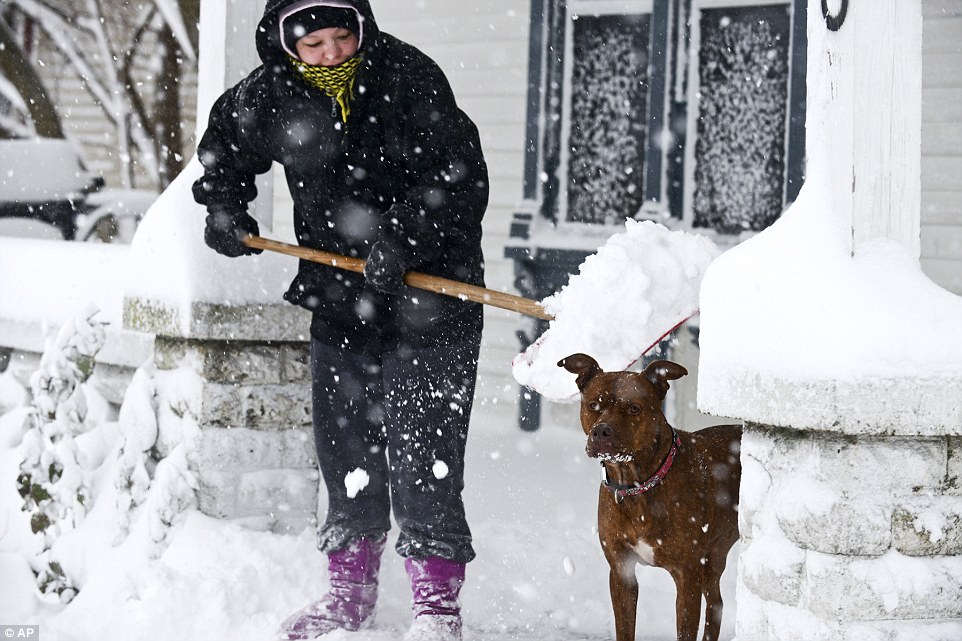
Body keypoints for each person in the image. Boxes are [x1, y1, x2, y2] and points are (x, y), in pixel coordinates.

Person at [191, 1, 488, 640]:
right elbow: (224, 146)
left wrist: (405, 240)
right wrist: (224, 209)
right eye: (314, 43)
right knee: (346, 449)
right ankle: (349, 596)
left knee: (425, 454)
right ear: (286, 43)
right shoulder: (269, 93)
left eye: (341, 36)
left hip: (431, 295)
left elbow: (459, 175)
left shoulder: (408, 76)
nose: (331, 53)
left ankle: (437, 610)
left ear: (361, 28)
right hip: (339, 295)